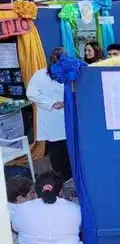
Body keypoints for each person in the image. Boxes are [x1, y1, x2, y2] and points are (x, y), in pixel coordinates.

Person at [11, 172, 91, 244]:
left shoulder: (22, 210)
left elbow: (15, 228)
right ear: (60, 191)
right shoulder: (75, 208)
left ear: (37, 191)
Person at [27, 48, 69, 182]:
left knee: (67, 148)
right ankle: (60, 178)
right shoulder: (40, 74)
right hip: (51, 118)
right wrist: (51, 103)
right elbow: (31, 94)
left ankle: (68, 176)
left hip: (67, 116)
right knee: (56, 149)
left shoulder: (68, 73)